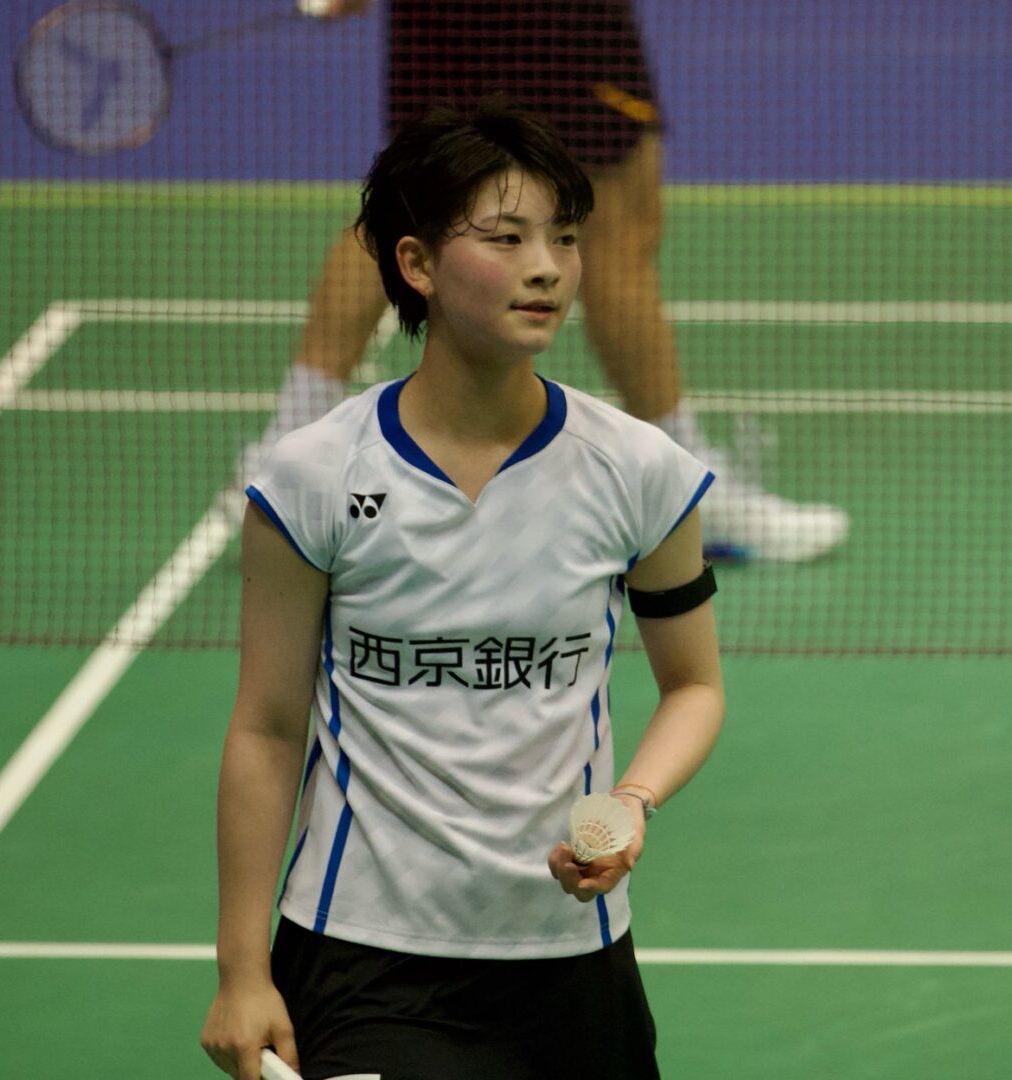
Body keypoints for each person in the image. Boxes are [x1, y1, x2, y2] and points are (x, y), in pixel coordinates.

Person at [201, 102, 726, 1080]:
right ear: (417, 264)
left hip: (571, 956)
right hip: (365, 952)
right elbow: (267, 730)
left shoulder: (639, 470)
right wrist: (241, 971)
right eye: (507, 238)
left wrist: (633, 801)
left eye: (564, 239)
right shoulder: (312, 478)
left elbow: (694, 686)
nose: (548, 268)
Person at [242, 0, 849, 563]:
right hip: (555, 16)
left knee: (411, 205)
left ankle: (288, 458)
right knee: (618, 223)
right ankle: (682, 488)